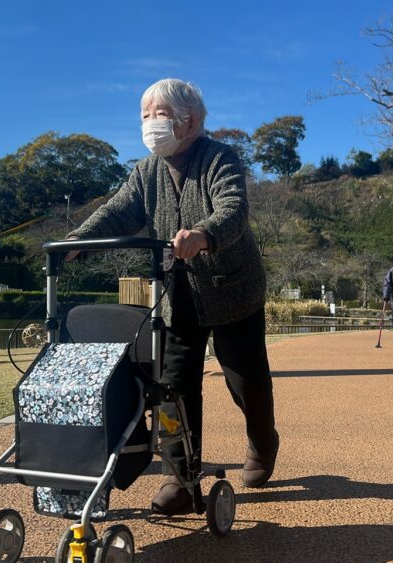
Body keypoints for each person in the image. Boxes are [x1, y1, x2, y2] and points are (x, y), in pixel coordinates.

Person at [64, 78, 278, 515]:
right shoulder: (146, 171)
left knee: (245, 382)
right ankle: (180, 478)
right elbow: (118, 209)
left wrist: (203, 234)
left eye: (157, 115)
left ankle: (262, 437)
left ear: (190, 120)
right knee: (173, 387)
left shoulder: (219, 157)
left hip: (232, 291)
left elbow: (233, 207)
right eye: (143, 115)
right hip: (175, 294)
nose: (148, 124)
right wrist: (78, 239)